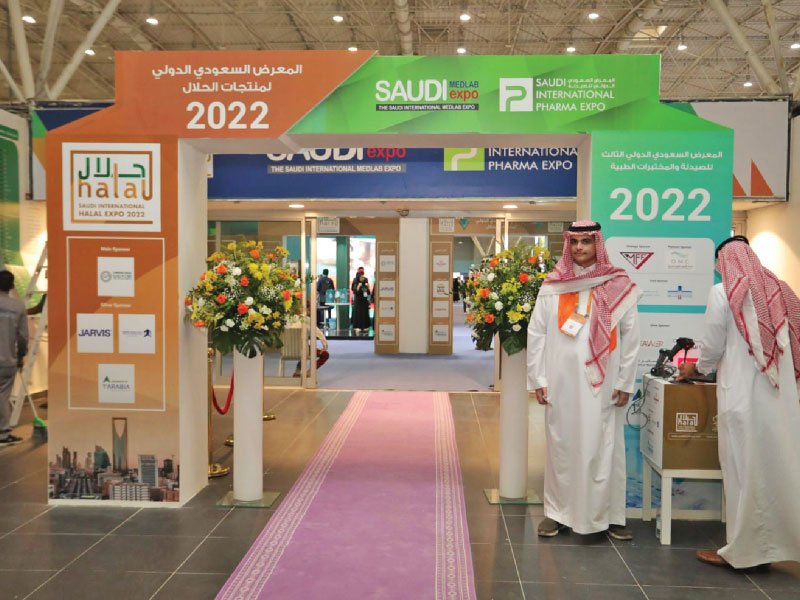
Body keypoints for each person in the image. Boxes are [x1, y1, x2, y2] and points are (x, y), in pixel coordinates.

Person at [678, 236, 800, 569]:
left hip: (743, 398)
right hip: (781, 400)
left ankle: (742, 552)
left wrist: (697, 368)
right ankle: (769, 548)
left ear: (724, 262)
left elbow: (712, 345)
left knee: (741, 470)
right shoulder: (781, 292)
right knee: (774, 469)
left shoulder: (724, 292)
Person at [527, 221, 641, 540]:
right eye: (574, 242)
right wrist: (538, 378)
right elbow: (536, 332)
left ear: (597, 244)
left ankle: (611, 516)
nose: (579, 247)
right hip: (560, 382)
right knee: (561, 446)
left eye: (586, 242)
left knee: (604, 447)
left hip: (602, 384)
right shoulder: (553, 284)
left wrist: (625, 381)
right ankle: (557, 513)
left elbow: (631, 336)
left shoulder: (618, 283)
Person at [0, 270, 28, 446]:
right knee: (3, 395)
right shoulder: (18, 307)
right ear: (12, 286)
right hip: (7, 360)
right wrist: (21, 355)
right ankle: (3, 434)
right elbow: (23, 337)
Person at [350, 267, 371, 334]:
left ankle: (365, 326)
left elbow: (367, 290)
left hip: (364, 299)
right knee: (358, 313)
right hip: (358, 299)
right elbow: (353, 290)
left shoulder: (365, 279)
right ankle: (357, 326)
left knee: (364, 312)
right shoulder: (355, 280)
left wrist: (366, 288)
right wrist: (358, 287)